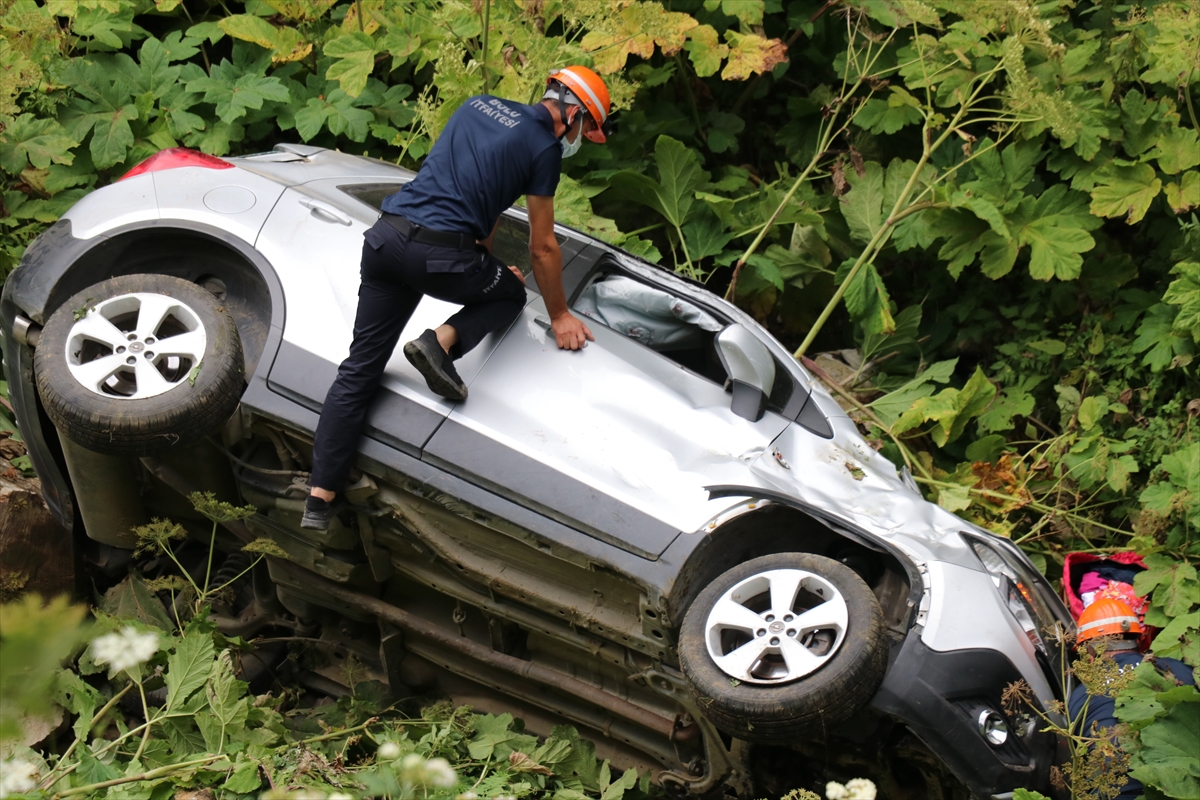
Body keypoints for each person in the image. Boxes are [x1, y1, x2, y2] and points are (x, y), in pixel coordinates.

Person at [301, 67, 614, 531]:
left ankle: (318, 500)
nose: (580, 140)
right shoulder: (545, 149)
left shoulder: (477, 104)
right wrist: (561, 315)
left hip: (387, 238)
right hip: (440, 256)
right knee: (509, 293)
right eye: (586, 130)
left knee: (360, 367)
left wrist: (482, 262)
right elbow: (543, 247)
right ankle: (441, 343)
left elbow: (470, 193)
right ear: (574, 113)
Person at [1067, 598, 1195, 799]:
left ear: (1089, 652)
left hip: (1118, 792)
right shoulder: (1177, 669)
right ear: (1139, 639)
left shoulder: (1080, 696)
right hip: (1184, 787)